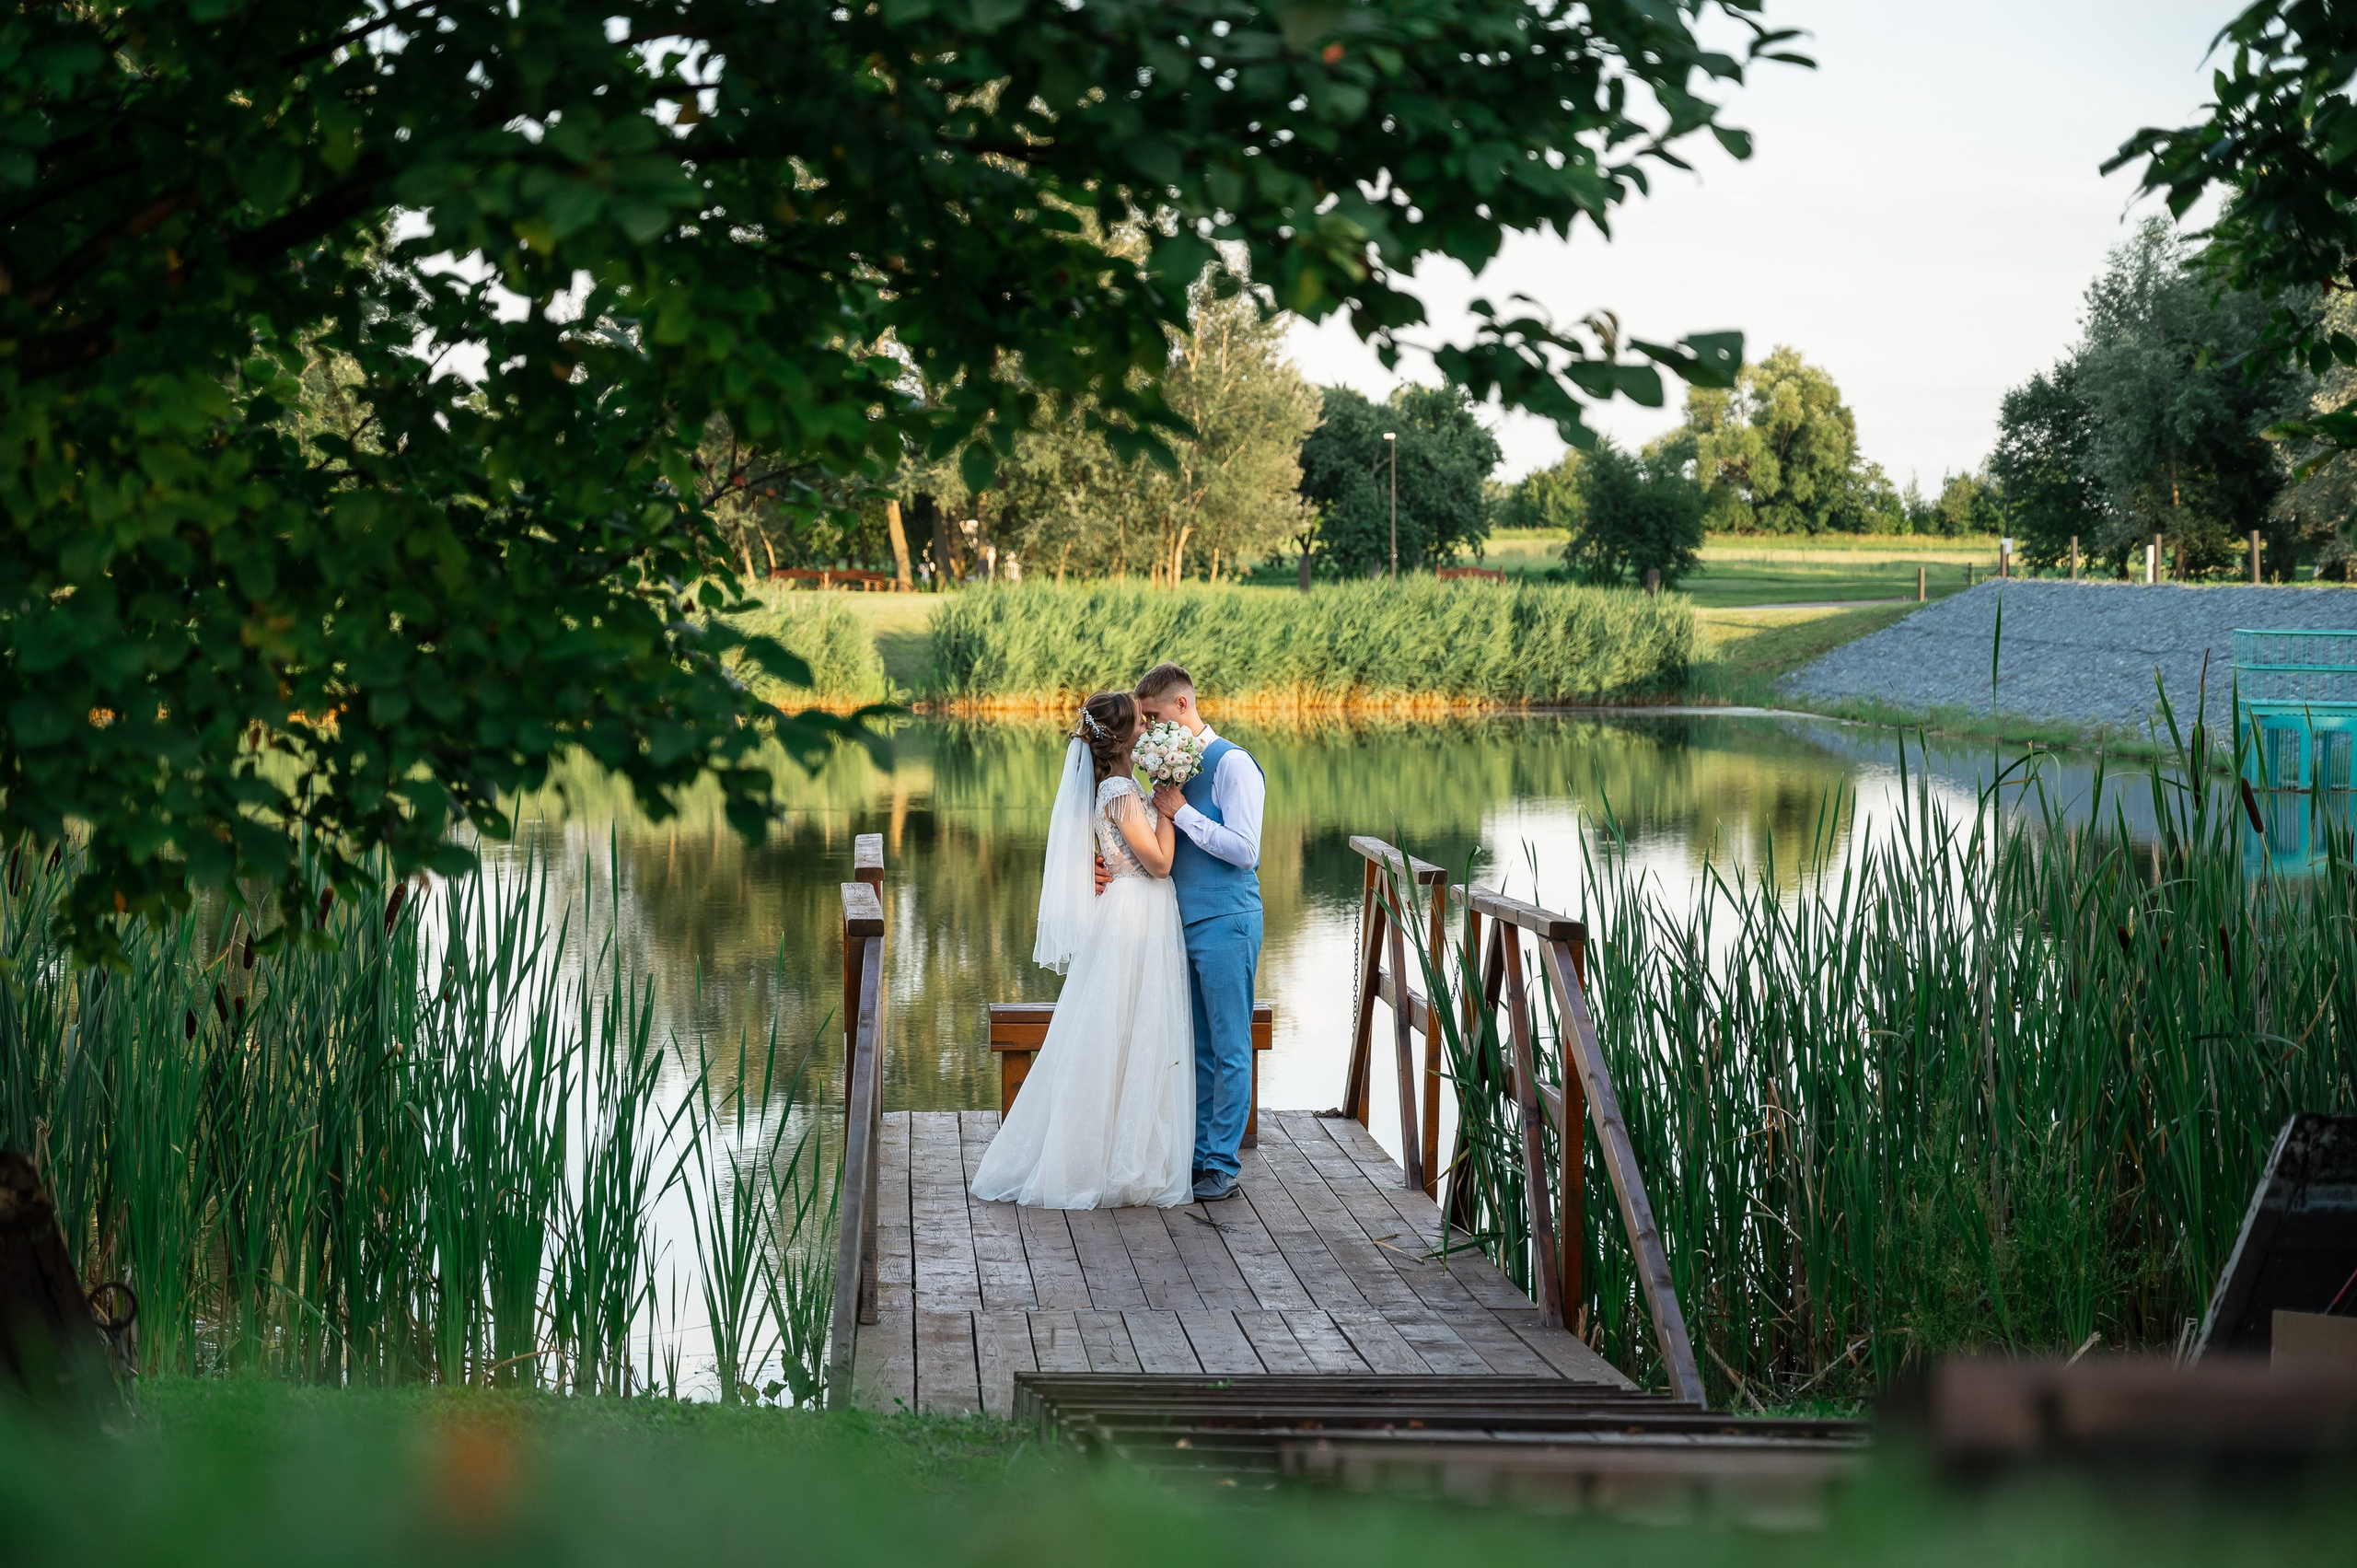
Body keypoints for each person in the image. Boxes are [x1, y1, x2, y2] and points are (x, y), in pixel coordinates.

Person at [968, 691, 1196, 1209]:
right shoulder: (1119, 790)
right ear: (1121, 737)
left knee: (1135, 1030)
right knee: (1121, 1029)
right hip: (1135, 914)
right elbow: (1160, 864)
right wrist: (1169, 804)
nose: (1148, 729)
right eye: (1141, 723)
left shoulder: (1121, 786)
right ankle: (1107, 1159)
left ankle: (1127, 1147)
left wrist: (1157, 794)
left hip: (1139, 912)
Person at [1133, 663, 1263, 1202]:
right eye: (1143, 720)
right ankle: (1197, 1155)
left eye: (1154, 717)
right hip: (1176, 922)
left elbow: (1246, 850)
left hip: (1227, 920)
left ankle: (1221, 1165)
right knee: (1196, 1045)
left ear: (1182, 706)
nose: (1148, 728)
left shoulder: (1233, 764)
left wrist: (1183, 812)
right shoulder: (1168, 768)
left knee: (1230, 1045)